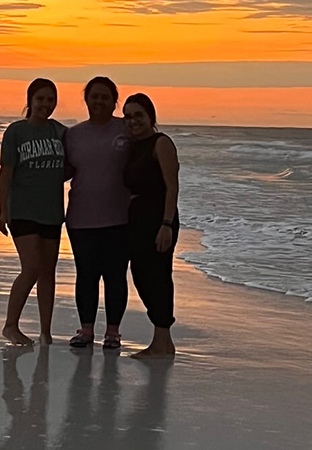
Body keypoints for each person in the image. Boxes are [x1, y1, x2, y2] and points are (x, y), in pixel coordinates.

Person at [0, 78, 67, 346]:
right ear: (30, 101)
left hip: (51, 210)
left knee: (49, 271)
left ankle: (46, 332)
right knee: (32, 268)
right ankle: (10, 326)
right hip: (23, 209)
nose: (45, 105)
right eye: (40, 99)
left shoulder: (60, 132)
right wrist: (3, 210)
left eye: (50, 100)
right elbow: (6, 173)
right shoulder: (16, 132)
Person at [65, 77, 131, 349]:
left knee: (115, 276)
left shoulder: (127, 129)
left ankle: (113, 333)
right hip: (81, 217)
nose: (100, 101)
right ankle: (86, 330)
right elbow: (61, 171)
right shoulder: (73, 135)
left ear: (115, 101)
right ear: (86, 99)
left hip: (120, 217)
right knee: (86, 275)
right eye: (95, 96)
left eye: (105, 97)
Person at [122, 93, 179, 359]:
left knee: (158, 276)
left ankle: (163, 342)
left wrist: (166, 223)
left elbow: (172, 186)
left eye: (138, 115)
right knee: (141, 275)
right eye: (128, 116)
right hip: (137, 219)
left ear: (150, 117)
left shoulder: (161, 143)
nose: (133, 121)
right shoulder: (133, 147)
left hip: (159, 218)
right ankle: (161, 340)